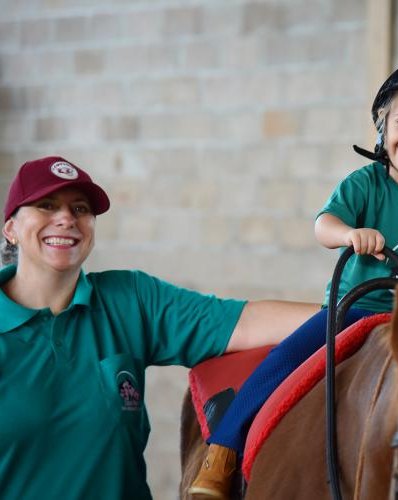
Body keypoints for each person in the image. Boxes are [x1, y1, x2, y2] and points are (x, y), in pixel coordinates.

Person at [189, 59, 398, 498]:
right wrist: (350, 233)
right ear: (384, 126)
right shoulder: (365, 183)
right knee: (284, 363)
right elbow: (323, 225)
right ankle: (223, 451)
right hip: (356, 310)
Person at [0, 156, 320, 500]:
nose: (66, 219)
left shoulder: (129, 300)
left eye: (80, 209)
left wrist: (356, 312)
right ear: (11, 229)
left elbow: (241, 323)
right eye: (47, 206)